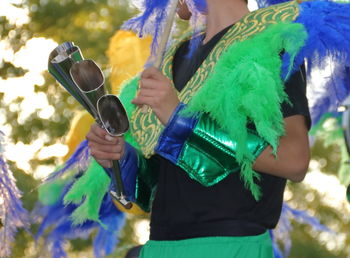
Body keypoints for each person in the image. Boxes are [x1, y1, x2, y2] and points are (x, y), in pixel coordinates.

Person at [86, 0, 312, 257]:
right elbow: (159, 189)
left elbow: (294, 160)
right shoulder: (176, 55)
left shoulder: (273, 38)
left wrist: (180, 119)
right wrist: (120, 157)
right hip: (159, 245)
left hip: (230, 248)